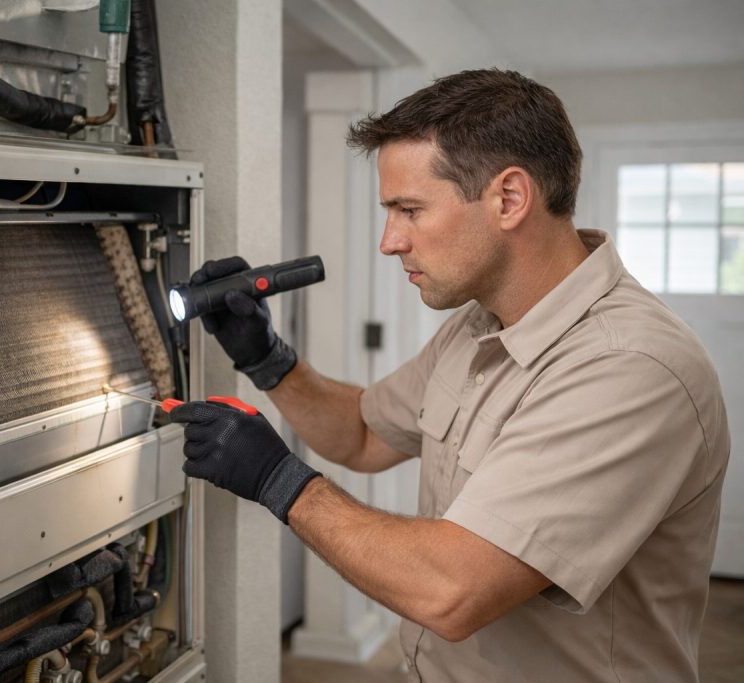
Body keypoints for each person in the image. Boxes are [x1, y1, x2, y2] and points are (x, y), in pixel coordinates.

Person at [169, 69, 730, 682]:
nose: (389, 241)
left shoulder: (629, 367)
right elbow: (361, 433)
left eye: (409, 209)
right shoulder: (476, 326)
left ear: (509, 199)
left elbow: (451, 589)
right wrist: (267, 358)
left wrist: (279, 480)